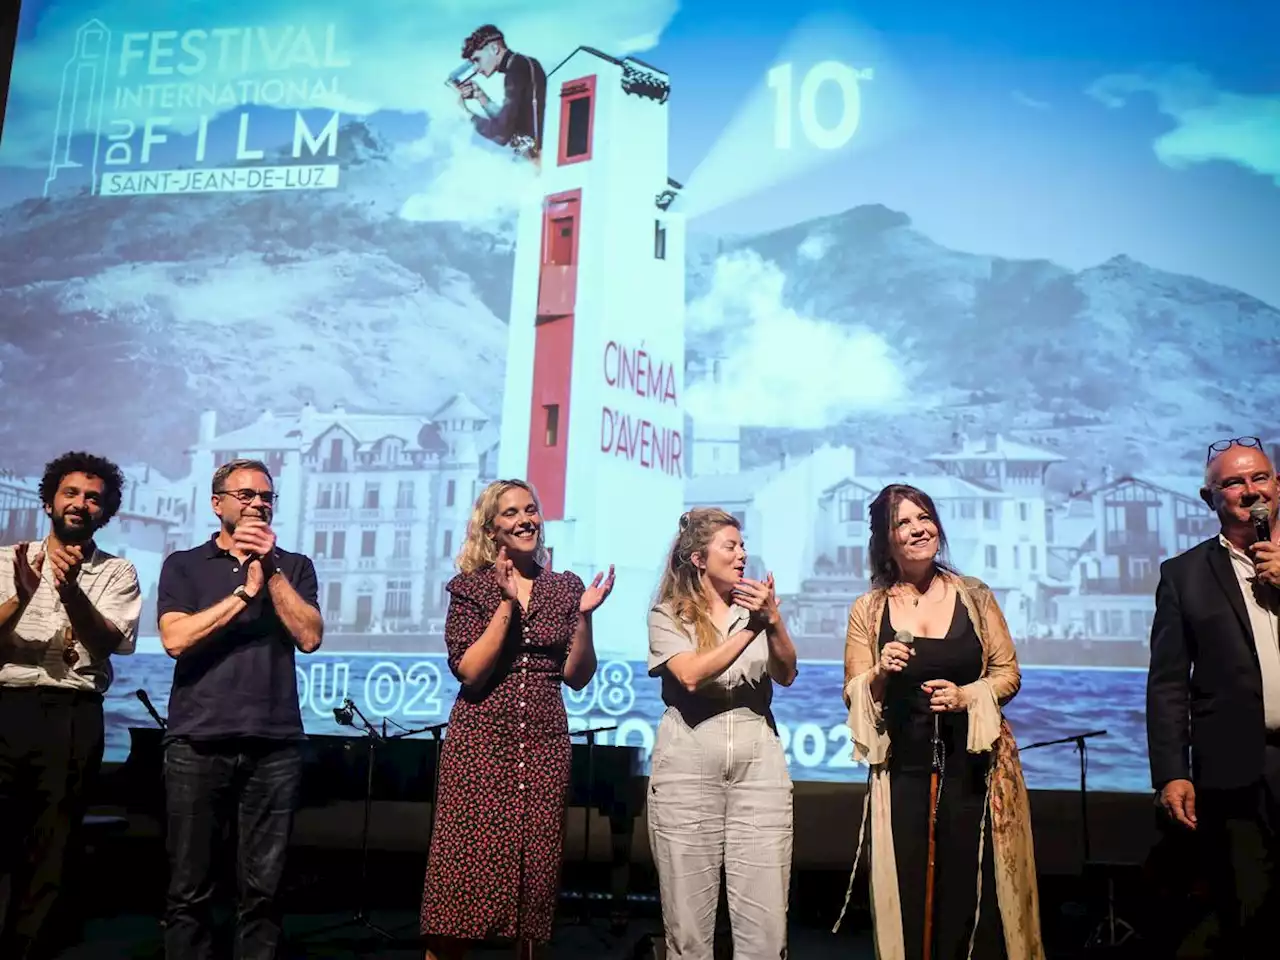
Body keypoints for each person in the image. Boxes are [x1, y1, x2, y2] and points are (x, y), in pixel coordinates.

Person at [837, 483, 1043, 960]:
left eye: (924, 517)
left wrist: (967, 695)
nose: (917, 529)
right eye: (903, 523)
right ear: (885, 540)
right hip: (903, 770)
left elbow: (1007, 673)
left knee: (971, 891)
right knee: (909, 891)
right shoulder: (869, 609)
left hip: (974, 767)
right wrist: (879, 674)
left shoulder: (974, 595)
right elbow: (852, 692)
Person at [421, 479, 615, 960]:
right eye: (511, 513)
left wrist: (585, 617)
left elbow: (577, 676)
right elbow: (470, 671)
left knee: (533, 885)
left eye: (531, 509)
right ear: (492, 529)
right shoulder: (470, 588)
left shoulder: (563, 587)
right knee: (460, 887)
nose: (526, 519)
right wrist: (507, 603)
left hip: (544, 747)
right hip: (479, 747)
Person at [156, 458, 323, 960]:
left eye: (266, 497)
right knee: (189, 889)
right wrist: (241, 595)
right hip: (196, 742)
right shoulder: (184, 564)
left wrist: (267, 574)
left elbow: (310, 636)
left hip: (274, 747)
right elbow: (174, 638)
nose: (257, 504)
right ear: (217, 504)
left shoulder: (294, 567)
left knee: (264, 893)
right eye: (246, 495)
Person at [0, 452, 141, 959]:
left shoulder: (118, 572)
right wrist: (21, 595)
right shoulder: (6, 559)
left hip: (71, 715)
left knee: (51, 848)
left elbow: (105, 644)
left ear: (105, 513)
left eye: (93, 498)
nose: (81, 503)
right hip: (6, 705)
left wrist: (69, 587)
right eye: (71, 493)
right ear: (49, 501)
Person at [1147, 437, 1280, 959]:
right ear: (1210, 500)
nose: (1251, 491)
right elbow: (1168, 683)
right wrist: (1171, 772)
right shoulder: (1184, 575)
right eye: (1233, 482)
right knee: (1247, 917)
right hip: (1236, 768)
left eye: (1260, 478)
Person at [646, 507, 798, 960]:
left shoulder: (754, 611)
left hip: (759, 770)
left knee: (766, 932)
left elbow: (787, 673)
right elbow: (691, 675)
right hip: (687, 773)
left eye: (743, 545)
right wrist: (749, 629)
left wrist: (772, 622)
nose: (741, 554)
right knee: (690, 933)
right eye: (730, 546)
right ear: (698, 558)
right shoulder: (668, 614)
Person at [455, 24, 547, 160]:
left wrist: (467, 114)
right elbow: (510, 122)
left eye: (477, 60)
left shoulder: (516, 70)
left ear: (494, 48)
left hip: (535, 161)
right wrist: (481, 97)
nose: (476, 69)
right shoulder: (523, 63)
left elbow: (502, 133)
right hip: (534, 155)